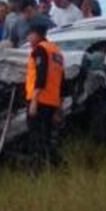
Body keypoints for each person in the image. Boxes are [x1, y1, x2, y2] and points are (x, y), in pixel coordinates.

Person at [25, 23, 64, 169]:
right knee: (46, 136)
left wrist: (34, 100)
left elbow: (41, 76)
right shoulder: (56, 52)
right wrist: (59, 106)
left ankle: (36, 170)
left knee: (35, 137)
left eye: (30, 34)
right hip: (52, 101)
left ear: (37, 35)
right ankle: (53, 166)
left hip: (39, 99)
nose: (28, 38)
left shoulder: (40, 49)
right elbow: (62, 79)